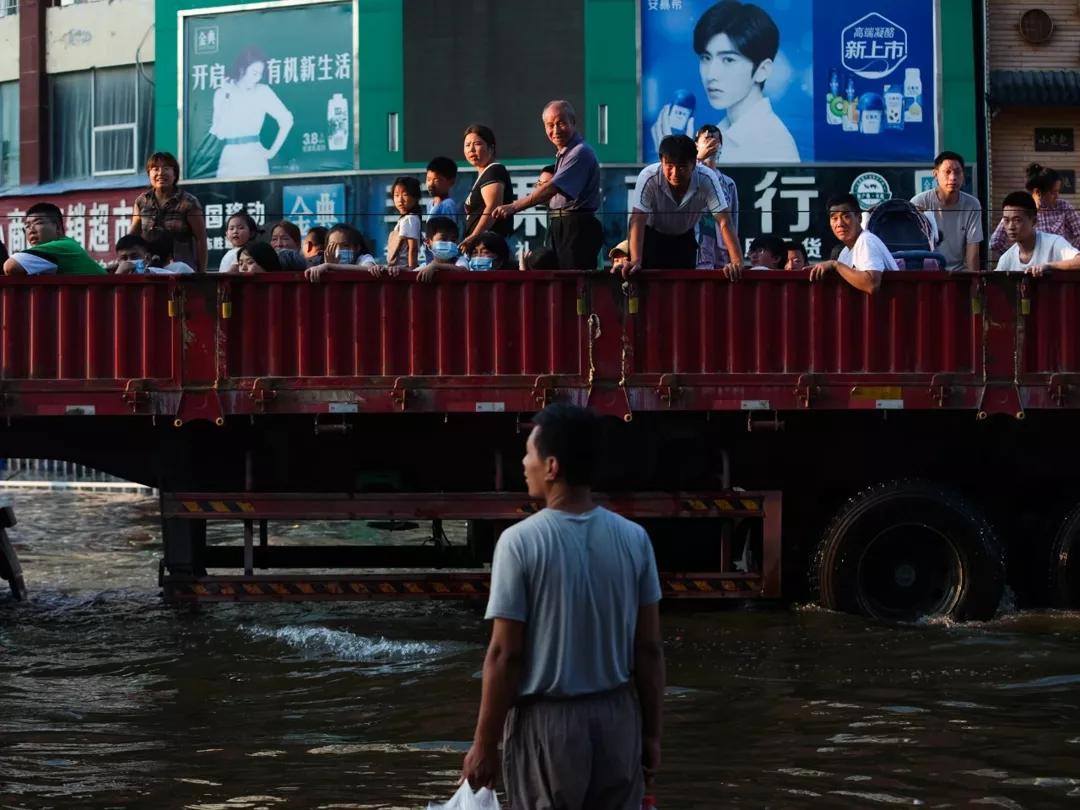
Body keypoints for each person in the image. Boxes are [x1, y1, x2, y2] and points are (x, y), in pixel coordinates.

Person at [461, 404, 664, 810]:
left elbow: (505, 654)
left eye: (529, 454)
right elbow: (649, 649)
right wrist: (651, 735)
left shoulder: (520, 543)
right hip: (618, 719)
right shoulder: (634, 538)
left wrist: (485, 744)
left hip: (549, 728)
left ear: (551, 466)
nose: (524, 463)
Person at [492, 101, 604, 270]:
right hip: (563, 223)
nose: (556, 130)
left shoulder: (579, 152)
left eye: (561, 123)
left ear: (573, 122)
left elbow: (551, 189)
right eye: (550, 125)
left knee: (573, 284)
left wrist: (514, 206)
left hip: (576, 227)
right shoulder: (564, 153)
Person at [687, 0, 798, 164]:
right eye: (706, 58)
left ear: (762, 70)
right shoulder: (724, 130)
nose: (711, 74)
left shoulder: (771, 145)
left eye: (728, 60)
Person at [618, 134, 742, 277]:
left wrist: (736, 261)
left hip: (685, 239)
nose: (675, 173)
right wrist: (636, 260)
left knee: (684, 291)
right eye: (669, 166)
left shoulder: (706, 178)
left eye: (682, 167)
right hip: (651, 238)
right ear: (661, 161)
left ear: (694, 164)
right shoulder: (649, 176)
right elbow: (637, 220)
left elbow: (724, 221)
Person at [210, 47, 294, 178]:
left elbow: (287, 120)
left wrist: (271, 152)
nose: (257, 78)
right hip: (229, 158)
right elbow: (220, 133)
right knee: (227, 197)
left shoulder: (263, 91)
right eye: (254, 73)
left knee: (258, 196)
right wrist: (226, 96)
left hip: (254, 155)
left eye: (260, 74)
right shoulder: (222, 93)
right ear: (242, 69)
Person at [130, 152, 207, 272]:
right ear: (149, 174)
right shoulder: (141, 202)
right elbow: (132, 237)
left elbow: (201, 240)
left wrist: (202, 274)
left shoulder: (189, 202)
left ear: (175, 173)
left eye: (166, 168)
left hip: (181, 271)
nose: (160, 173)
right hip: (148, 270)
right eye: (155, 169)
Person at [809, 193, 896, 294]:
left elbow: (872, 285)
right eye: (834, 218)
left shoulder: (866, 241)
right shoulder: (845, 252)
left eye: (846, 216)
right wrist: (818, 269)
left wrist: (835, 265)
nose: (839, 224)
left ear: (859, 218)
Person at [910, 151, 983, 272]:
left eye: (957, 172)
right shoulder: (919, 202)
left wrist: (974, 284)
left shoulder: (972, 204)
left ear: (963, 175)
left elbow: (973, 251)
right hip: (927, 274)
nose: (953, 177)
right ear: (935, 174)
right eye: (947, 172)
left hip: (959, 274)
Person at [990, 163, 1080, 253]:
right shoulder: (1020, 209)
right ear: (1038, 192)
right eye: (1053, 192)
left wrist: (1068, 254)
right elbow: (996, 242)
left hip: (1058, 265)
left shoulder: (1063, 207)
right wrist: (1017, 257)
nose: (1057, 196)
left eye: (1058, 191)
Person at [3, 203, 105, 276]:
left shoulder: (63, 246)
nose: (31, 230)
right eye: (27, 226)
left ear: (58, 228)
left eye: (38, 223)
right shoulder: (68, 244)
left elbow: (10, 267)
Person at [995, 190, 1080, 277]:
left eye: (1017, 220)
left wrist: (1049, 266)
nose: (1011, 227)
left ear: (1034, 221)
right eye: (1006, 220)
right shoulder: (1006, 259)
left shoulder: (1053, 243)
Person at [460, 125, 514, 252]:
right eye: (467, 145)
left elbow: (493, 207)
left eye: (477, 144)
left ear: (491, 147)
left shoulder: (494, 170)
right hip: (481, 246)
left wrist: (474, 237)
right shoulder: (483, 174)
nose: (471, 150)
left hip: (490, 248)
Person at [694, 124, 739, 268]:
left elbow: (733, 221)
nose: (711, 143)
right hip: (696, 247)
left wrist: (734, 257)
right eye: (706, 139)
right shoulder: (690, 175)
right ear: (696, 146)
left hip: (721, 251)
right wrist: (699, 159)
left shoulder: (728, 183)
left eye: (715, 140)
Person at [304, 224, 379, 283]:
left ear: (357, 247)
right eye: (333, 246)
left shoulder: (363, 258)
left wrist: (329, 265)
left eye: (345, 245)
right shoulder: (322, 262)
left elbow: (369, 268)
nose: (338, 250)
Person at [415, 216, 470, 282]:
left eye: (453, 240)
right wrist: (400, 271)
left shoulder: (460, 260)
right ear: (428, 242)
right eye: (443, 239)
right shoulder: (425, 266)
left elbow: (463, 270)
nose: (449, 243)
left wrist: (436, 266)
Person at [115, 232, 195, 275]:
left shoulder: (155, 273)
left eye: (134, 256)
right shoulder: (114, 276)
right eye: (124, 258)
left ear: (148, 259)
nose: (129, 261)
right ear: (118, 261)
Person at [387, 176, 422, 269]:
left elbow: (412, 249)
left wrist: (411, 272)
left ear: (415, 197)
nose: (400, 200)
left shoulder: (410, 219)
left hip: (403, 269)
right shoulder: (404, 219)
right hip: (397, 268)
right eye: (396, 195)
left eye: (405, 195)